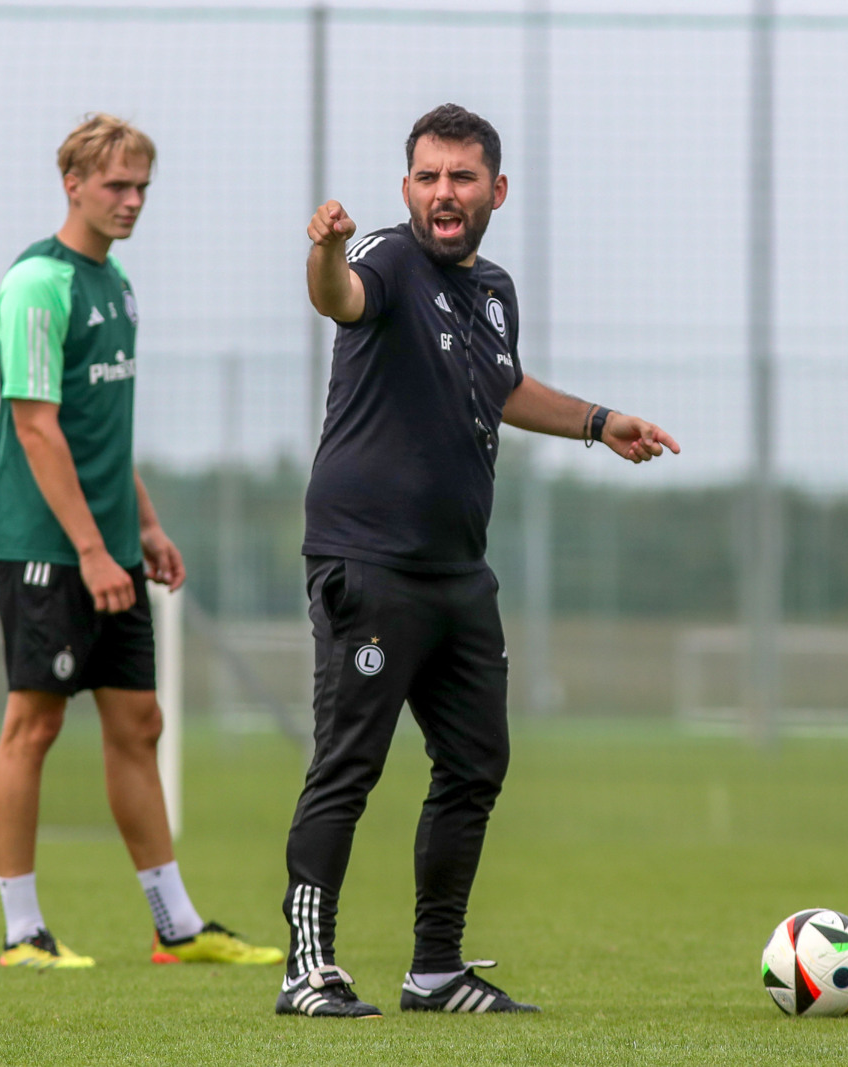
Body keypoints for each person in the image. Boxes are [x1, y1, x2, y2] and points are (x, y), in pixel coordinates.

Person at [276, 103, 680, 1018]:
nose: (444, 194)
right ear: (406, 187)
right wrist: (325, 249)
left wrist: (595, 421)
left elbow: (501, 386)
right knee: (350, 763)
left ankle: (436, 970)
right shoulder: (379, 257)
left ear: (496, 190)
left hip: (458, 574)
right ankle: (308, 969)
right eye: (428, 176)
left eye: (462, 177)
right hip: (368, 563)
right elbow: (335, 298)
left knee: (475, 764)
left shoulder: (492, 288)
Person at [0, 113, 281, 970]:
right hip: (48, 547)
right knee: (32, 728)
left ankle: (175, 924)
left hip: (108, 544)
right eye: (116, 185)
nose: (132, 200)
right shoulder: (38, 287)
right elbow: (38, 430)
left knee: (139, 723)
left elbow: (102, 429)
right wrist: (88, 547)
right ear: (71, 183)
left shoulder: (117, 286)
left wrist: (143, 524)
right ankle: (21, 931)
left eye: (143, 186)